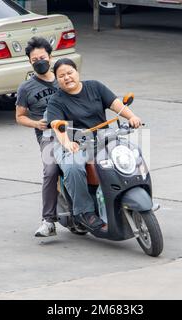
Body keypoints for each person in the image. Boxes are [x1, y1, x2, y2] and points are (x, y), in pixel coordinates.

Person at [47, 58, 142, 232]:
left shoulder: (95, 87)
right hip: (75, 143)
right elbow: (57, 125)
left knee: (132, 153)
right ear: (57, 79)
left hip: (103, 138)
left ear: (77, 72)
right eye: (61, 76)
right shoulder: (56, 100)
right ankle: (85, 212)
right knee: (73, 167)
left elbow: (116, 104)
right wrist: (68, 143)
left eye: (70, 73)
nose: (67, 77)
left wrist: (131, 117)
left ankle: (131, 193)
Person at [15, 37, 60, 237]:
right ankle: (48, 221)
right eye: (35, 59)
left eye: (42, 57)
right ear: (30, 62)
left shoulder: (64, 77)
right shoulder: (26, 88)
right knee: (51, 171)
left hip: (75, 130)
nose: (39, 61)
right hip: (48, 135)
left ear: (51, 57)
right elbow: (19, 117)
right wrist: (36, 123)